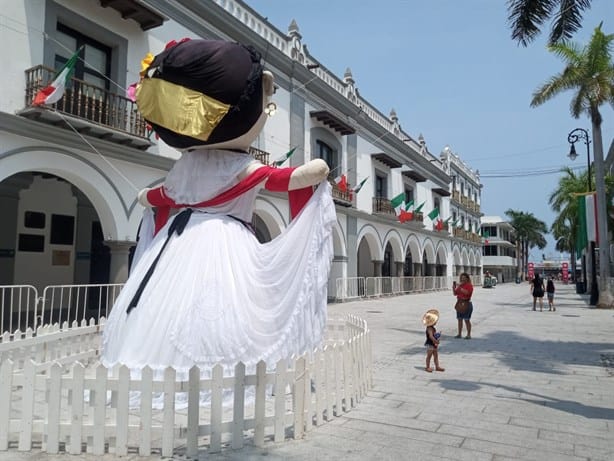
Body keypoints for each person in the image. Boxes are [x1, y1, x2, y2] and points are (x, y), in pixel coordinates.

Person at [102, 39, 334, 378]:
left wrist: (145, 198)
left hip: (175, 244)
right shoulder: (237, 165)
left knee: (164, 307)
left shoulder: (186, 164)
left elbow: (165, 196)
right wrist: (308, 173)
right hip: (224, 240)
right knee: (228, 308)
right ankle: (224, 375)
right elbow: (277, 179)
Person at [453, 272, 474, 339]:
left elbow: (467, 293)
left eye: (464, 278)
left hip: (466, 303)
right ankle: (459, 334)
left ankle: (468, 334)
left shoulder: (469, 285)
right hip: (459, 303)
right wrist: (454, 288)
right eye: (462, 278)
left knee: (467, 320)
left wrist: (459, 288)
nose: (463, 279)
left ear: (467, 279)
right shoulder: (460, 285)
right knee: (459, 319)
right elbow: (455, 294)